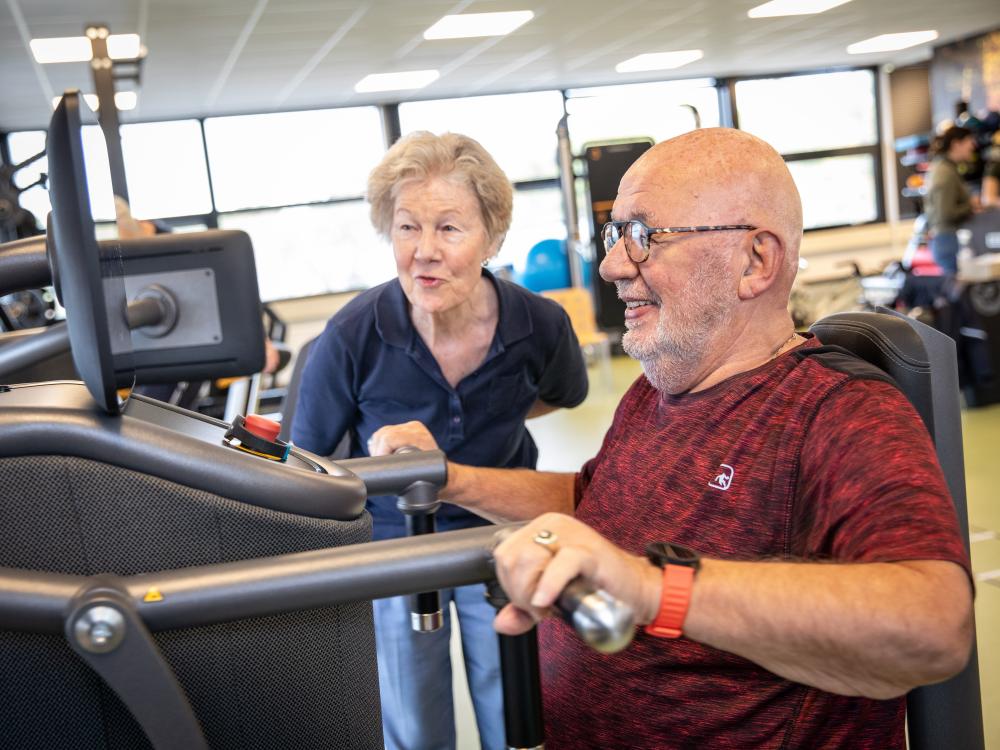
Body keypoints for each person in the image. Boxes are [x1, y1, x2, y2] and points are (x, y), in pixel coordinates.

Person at [370, 128, 974, 750]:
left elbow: (935, 622)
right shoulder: (654, 392)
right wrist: (452, 479)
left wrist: (651, 587)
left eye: (643, 237)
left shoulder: (835, 411)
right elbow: (596, 501)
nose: (610, 266)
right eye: (615, 235)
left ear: (755, 261)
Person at [291, 131, 588, 750]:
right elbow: (307, 464)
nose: (424, 251)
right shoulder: (351, 335)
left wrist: (494, 422)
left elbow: (565, 393)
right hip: (397, 548)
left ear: (493, 237)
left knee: (516, 712)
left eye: (449, 229)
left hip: (501, 531)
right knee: (416, 725)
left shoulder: (539, 323)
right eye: (407, 228)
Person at [925, 126, 978, 272]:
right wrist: (971, 205)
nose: (973, 146)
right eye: (969, 141)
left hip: (947, 240)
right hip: (948, 241)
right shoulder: (944, 172)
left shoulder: (945, 168)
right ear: (956, 144)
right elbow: (945, 214)